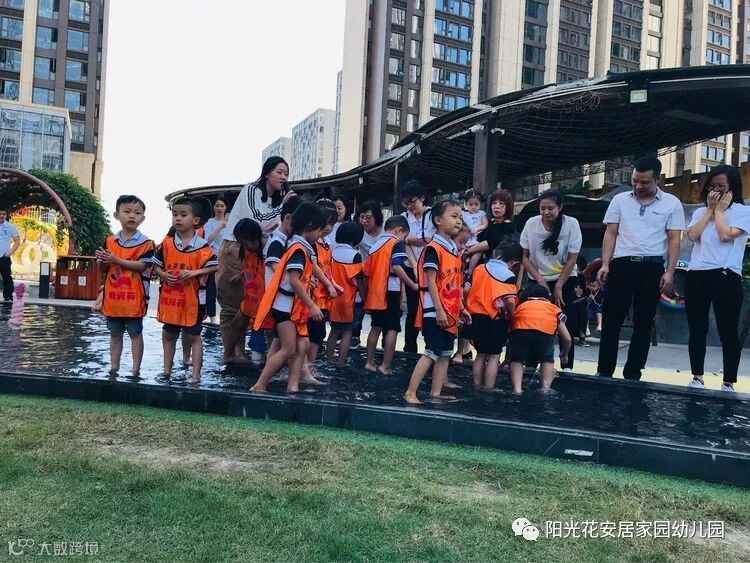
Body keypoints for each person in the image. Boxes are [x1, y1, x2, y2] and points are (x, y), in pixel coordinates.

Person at [596, 156, 685, 380]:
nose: (638, 186)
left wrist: (670, 271)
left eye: (644, 182)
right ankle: (604, 370)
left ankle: (633, 372)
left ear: (657, 180)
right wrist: (605, 263)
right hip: (621, 264)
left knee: (644, 321)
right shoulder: (620, 200)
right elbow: (610, 233)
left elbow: (674, 239)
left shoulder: (672, 203)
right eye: (635, 181)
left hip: (651, 267)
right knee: (612, 319)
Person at [217, 157, 295, 369]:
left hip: (259, 250)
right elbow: (257, 220)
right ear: (267, 173)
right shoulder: (251, 190)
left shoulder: (275, 200)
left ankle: (244, 354)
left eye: (286, 174)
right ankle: (233, 354)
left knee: (250, 307)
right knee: (233, 307)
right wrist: (282, 206)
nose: (283, 177)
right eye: (279, 172)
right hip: (236, 247)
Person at [685, 164, 750, 392]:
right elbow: (692, 235)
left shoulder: (743, 212)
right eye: (712, 186)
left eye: (721, 186)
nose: (715, 191)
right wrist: (710, 211)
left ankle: (728, 381)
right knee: (697, 328)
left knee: (727, 330)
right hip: (697, 274)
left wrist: (720, 212)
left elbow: (725, 235)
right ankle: (697, 376)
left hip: (725, 274)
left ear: (732, 187)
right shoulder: (699, 212)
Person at [251, 203, 326, 393]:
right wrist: (312, 306)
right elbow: (293, 280)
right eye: (319, 230)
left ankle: (293, 386)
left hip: (293, 307)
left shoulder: (300, 246)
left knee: (303, 345)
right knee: (288, 349)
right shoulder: (298, 249)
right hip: (285, 308)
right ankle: (260, 384)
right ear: (310, 226)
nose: (320, 236)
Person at [404, 200, 471, 405]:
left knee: (445, 353)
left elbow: (454, 283)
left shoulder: (453, 251)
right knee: (432, 351)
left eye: (460, 217)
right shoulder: (434, 248)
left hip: (450, 311)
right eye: (454, 216)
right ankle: (410, 392)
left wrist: (461, 308)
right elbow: (431, 281)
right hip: (435, 310)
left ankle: (436, 393)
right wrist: (439, 310)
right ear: (438, 220)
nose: (458, 221)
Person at [153, 197, 218, 383]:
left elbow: (214, 266)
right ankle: (166, 371)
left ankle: (196, 375)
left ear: (195, 220)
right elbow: (156, 266)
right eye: (175, 215)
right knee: (168, 334)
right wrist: (163, 275)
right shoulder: (167, 244)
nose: (178, 218)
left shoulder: (202, 246)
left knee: (194, 335)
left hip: (193, 301)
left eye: (183, 215)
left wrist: (193, 273)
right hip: (171, 301)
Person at [520, 189, 582, 371]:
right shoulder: (531, 224)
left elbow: (572, 258)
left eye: (551, 208)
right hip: (537, 279)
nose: (546, 212)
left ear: (560, 207)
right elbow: (524, 256)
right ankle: (531, 364)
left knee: (566, 321)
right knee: (534, 321)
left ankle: (566, 365)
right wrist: (540, 280)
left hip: (565, 278)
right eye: (542, 208)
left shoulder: (571, 224)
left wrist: (559, 286)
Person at [95, 195, 155, 377]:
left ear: (143, 218)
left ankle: (135, 370)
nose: (132, 216)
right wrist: (102, 261)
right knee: (114, 334)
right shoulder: (109, 241)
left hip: (135, 299)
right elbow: (104, 269)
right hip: (113, 300)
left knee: (135, 334)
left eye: (137, 213)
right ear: (117, 215)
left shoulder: (146, 243)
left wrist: (115, 259)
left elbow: (142, 266)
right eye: (127, 211)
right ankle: (114, 367)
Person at [463, 240, 522, 390]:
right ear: (514, 262)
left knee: (480, 354)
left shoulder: (479, 268)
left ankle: (476, 385)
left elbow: (466, 290)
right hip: (495, 319)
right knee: (494, 356)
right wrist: (511, 315)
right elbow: (509, 300)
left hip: (475, 317)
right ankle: (489, 388)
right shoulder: (508, 275)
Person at [363, 215, 417, 374]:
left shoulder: (375, 246)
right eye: (404, 236)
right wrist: (411, 284)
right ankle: (385, 366)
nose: (404, 239)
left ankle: (369, 362)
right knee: (393, 327)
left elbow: (366, 273)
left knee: (376, 326)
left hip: (376, 292)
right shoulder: (396, 243)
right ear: (399, 230)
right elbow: (398, 266)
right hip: (391, 291)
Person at [509, 284, 571, 394]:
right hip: (545, 333)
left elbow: (510, 326)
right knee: (546, 360)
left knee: (517, 359)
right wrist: (564, 354)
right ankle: (545, 389)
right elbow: (567, 338)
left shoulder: (521, 306)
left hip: (520, 331)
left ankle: (517, 389)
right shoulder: (553, 308)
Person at [305, 200, 340, 380]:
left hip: (321, 298)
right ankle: (306, 369)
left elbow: (326, 268)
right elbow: (312, 266)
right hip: (311, 297)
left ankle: (309, 368)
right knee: (311, 334)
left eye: (332, 224)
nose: (328, 228)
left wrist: (332, 283)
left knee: (317, 334)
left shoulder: (325, 243)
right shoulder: (310, 243)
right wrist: (328, 284)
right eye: (326, 223)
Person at [400, 180, 436, 353]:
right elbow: (402, 242)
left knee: (430, 308)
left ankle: (431, 348)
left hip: (430, 267)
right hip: (411, 266)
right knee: (413, 309)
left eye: (412, 201)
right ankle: (410, 348)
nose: (410, 206)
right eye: (407, 202)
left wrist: (408, 239)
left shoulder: (432, 214)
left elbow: (430, 239)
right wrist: (414, 264)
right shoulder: (403, 217)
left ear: (422, 198)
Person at [223, 218, 264, 365]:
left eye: (245, 243)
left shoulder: (267, 252)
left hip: (263, 304)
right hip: (249, 299)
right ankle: (227, 356)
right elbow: (250, 267)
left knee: (260, 337)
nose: (243, 246)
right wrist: (240, 275)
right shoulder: (247, 250)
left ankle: (261, 365)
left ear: (256, 238)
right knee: (236, 325)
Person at [327, 221, 367, 366]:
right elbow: (359, 280)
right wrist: (365, 297)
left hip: (333, 298)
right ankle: (341, 362)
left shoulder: (331, 253)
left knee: (334, 330)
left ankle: (329, 360)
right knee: (347, 332)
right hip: (351, 300)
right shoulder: (355, 256)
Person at [353, 200, 384, 348]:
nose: (364, 220)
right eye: (361, 217)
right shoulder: (359, 232)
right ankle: (355, 335)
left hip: (383, 275)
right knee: (362, 304)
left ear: (376, 217)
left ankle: (385, 339)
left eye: (368, 217)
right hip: (366, 274)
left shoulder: (385, 230)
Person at [466, 189, 516, 272]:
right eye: (494, 203)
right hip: (479, 267)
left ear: (508, 207)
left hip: (494, 269)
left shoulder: (508, 226)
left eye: (501, 203)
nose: (497, 206)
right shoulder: (488, 223)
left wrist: (467, 251)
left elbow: (487, 244)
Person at [203, 197, 230, 324]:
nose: (219, 208)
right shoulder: (209, 223)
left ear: (226, 208)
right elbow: (207, 241)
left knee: (227, 289)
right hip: (214, 258)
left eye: (222, 205)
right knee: (211, 288)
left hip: (228, 259)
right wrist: (220, 227)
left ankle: (228, 316)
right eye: (217, 205)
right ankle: (212, 317)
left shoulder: (231, 221)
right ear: (213, 207)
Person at [0, 208, 20, 302]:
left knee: (7, 277)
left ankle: (8, 296)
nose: (2, 216)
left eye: (4, 214)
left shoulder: (10, 226)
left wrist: (10, 253)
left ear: (6, 215)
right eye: (0, 214)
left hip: (4, 256)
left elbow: (17, 241)